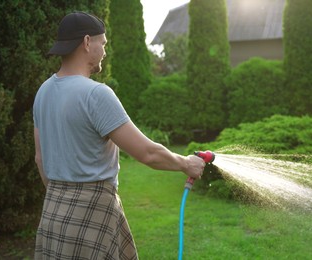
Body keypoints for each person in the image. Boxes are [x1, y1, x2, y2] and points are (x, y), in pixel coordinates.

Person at [33, 11, 205, 259]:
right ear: (86, 42)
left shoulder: (43, 92)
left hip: (53, 211)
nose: (104, 50)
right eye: (103, 43)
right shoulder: (96, 95)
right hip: (93, 212)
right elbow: (146, 153)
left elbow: (40, 159)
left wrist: (61, 196)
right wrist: (186, 164)